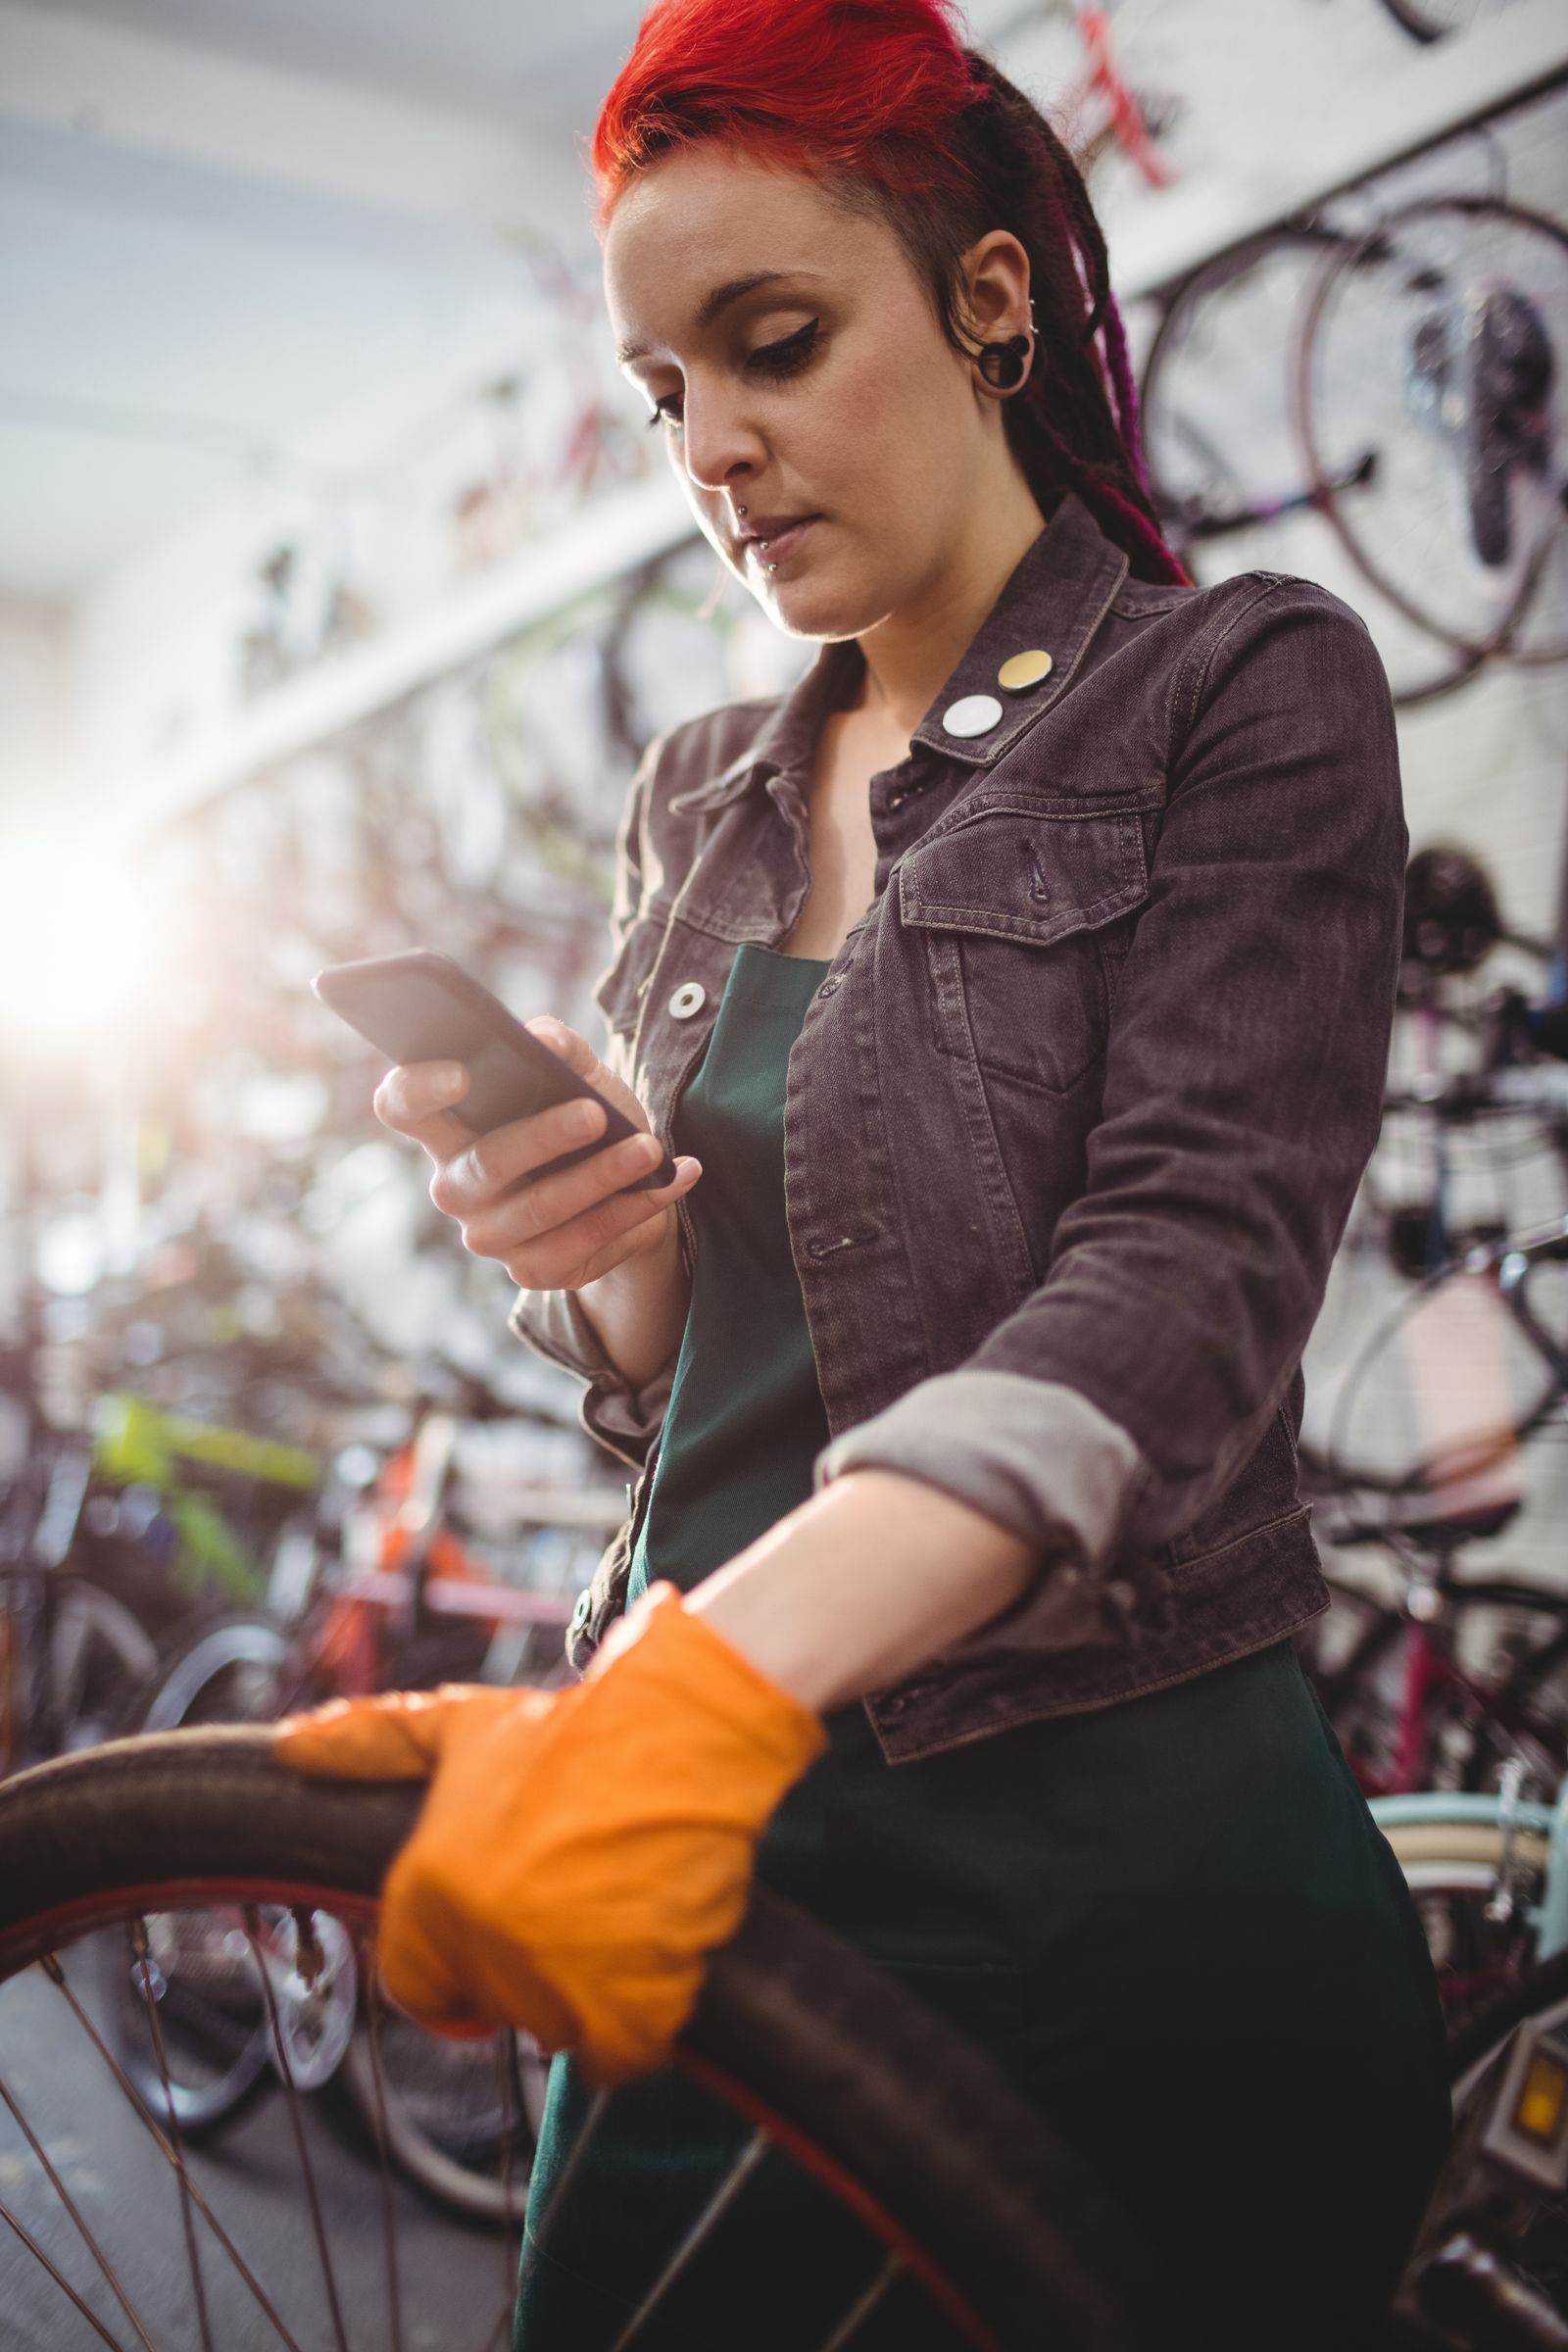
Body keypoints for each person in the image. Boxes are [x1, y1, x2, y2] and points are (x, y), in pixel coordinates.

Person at [276, 1, 1452, 2342]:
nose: (709, 446)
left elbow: (1184, 1284)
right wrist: (578, 1253)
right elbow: (694, 1364)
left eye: (773, 342)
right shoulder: (699, 782)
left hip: (1102, 1885)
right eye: (659, 394)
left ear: (990, 302)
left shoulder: (1236, 693)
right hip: (714, 1844)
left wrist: (715, 1688)